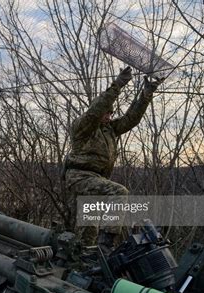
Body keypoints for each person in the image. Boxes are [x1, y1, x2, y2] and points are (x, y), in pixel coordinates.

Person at [64, 66, 163, 245]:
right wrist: (118, 85)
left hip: (96, 180)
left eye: (111, 113)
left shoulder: (109, 130)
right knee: (119, 192)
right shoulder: (83, 127)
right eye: (106, 112)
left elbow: (131, 119)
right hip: (79, 178)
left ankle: (88, 258)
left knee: (88, 230)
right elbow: (96, 110)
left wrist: (146, 94)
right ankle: (107, 243)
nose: (109, 116)